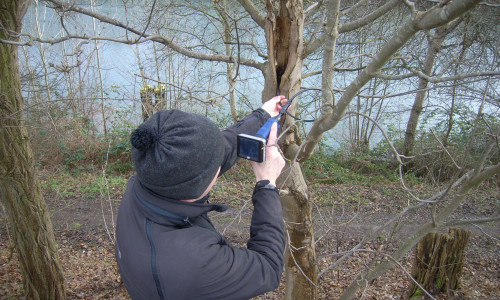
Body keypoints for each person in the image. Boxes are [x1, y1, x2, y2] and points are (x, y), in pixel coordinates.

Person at [115, 96, 288, 300]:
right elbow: (267, 267)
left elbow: (214, 148)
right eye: (217, 165)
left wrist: (263, 115)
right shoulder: (195, 264)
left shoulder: (148, 178)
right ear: (197, 184)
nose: (221, 161)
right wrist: (267, 184)